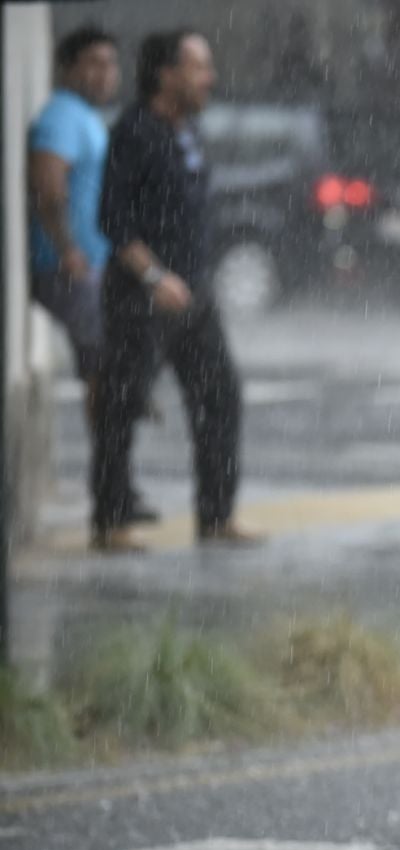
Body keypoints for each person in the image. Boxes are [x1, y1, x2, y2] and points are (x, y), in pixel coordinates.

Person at [94, 30, 260, 553]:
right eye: (199, 67)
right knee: (123, 406)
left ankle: (216, 516)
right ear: (166, 75)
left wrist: (192, 280)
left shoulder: (186, 132)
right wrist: (154, 276)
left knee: (220, 398)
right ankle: (111, 519)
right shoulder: (135, 133)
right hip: (141, 297)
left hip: (195, 297)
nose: (209, 78)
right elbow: (114, 221)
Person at [27, 26, 159, 528]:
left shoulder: (87, 119)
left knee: (103, 377)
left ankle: (117, 485)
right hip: (71, 269)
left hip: (93, 267)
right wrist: (66, 249)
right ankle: (112, 492)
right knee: (115, 376)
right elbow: (47, 180)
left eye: (110, 64)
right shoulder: (61, 116)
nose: (105, 74)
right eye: (93, 63)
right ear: (68, 68)